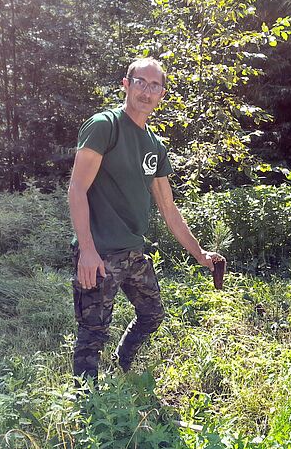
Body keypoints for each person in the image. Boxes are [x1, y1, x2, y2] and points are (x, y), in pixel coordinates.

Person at [68, 58, 224, 379]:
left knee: (152, 315)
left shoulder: (154, 145)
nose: (147, 91)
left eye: (155, 86)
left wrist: (201, 254)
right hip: (99, 254)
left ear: (162, 94)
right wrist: (87, 249)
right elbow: (77, 189)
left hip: (133, 252)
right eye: (141, 82)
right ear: (126, 84)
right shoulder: (104, 126)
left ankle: (123, 362)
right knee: (92, 334)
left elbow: (169, 209)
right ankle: (88, 408)